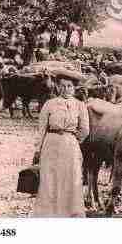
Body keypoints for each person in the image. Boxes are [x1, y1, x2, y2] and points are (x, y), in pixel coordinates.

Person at [32, 77, 89, 217]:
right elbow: (42, 129)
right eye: (62, 86)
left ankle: (70, 213)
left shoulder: (80, 105)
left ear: (74, 88)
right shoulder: (50, 104)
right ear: (57, 87)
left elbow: (85, 129)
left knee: (71, 177)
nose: (66, 89)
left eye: (69, 86)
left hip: (70, 144)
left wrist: (73, 139)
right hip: (51, 143)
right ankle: (48, 214)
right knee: (50, 177)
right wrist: (38, 149)